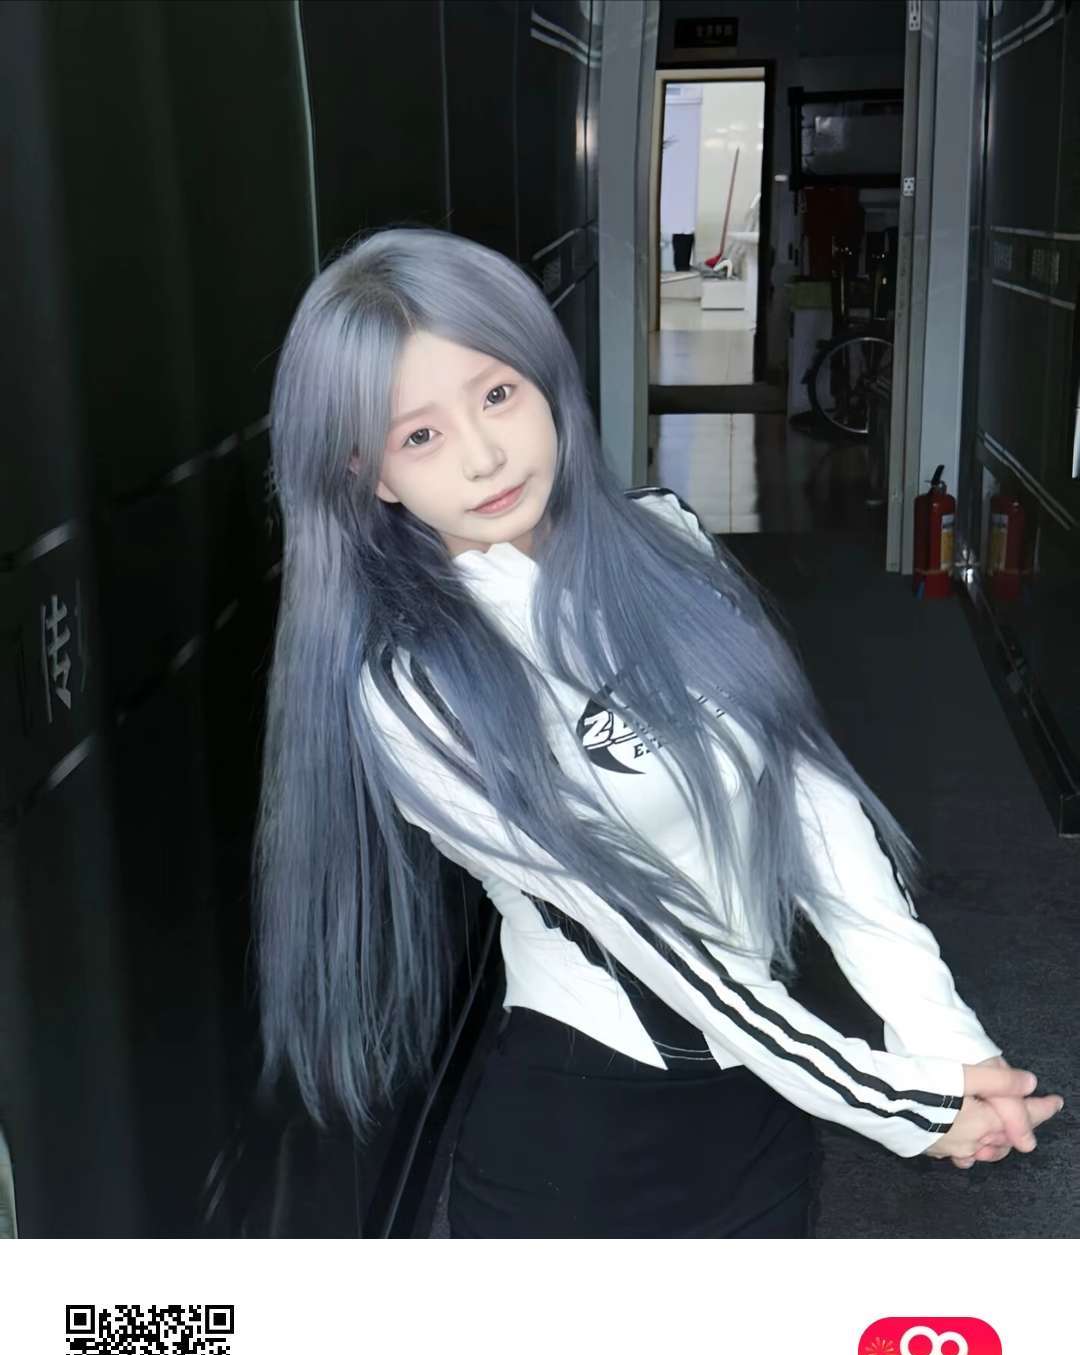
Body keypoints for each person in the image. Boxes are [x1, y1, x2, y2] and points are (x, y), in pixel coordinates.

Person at [252, 224, 1063, 1238]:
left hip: (770, 1090)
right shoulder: (412, 685)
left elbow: (807, 798)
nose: (485, 454)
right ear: (371, 474)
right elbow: (651, 941)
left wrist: (946, 1039)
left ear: (544, 380)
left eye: (497, 394)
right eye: (420, 437)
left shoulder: (666, 538)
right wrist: (905, 1105)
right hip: (589, 1141)